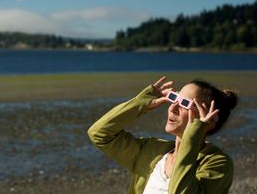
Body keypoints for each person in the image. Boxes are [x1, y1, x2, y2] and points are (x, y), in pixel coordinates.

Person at [87, 76, 238, 194]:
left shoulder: (217, 163)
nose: (172, 108)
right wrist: (142, 103)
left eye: (184, 103)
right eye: (174, 98)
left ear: (210, 119)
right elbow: (100, 134)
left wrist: (195, 133)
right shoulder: (152, 151)